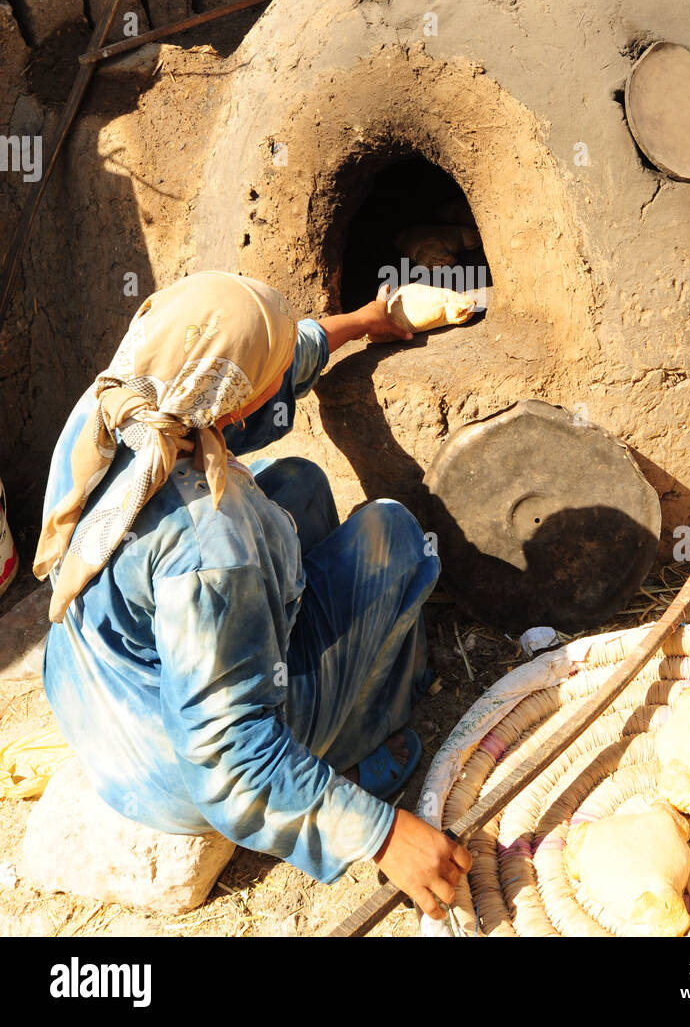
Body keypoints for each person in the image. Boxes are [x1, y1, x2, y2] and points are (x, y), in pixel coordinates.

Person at [33, 270, 471, 919]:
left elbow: (270, 360)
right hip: (175, 769)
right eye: (272, 366)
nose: (282, 366)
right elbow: (226, 760)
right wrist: (382, 835)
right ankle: (358, 746)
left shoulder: (135, 394)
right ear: (236, 405)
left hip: (94, 693)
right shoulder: (210, 546)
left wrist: (368, 320)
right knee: (392, 538)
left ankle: (298, 678)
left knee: (293, 483)